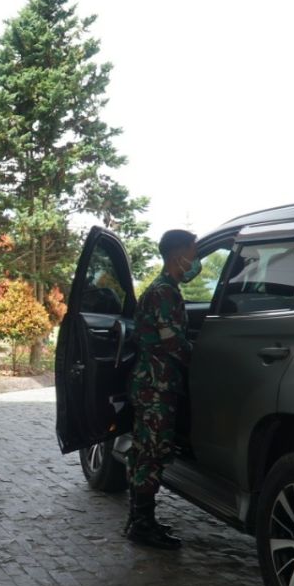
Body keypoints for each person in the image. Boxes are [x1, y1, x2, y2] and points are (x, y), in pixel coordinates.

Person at [125, 229, 198, 550]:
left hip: (151, 383)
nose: (193, 261)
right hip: (157, 385)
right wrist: (200, 359)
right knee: (152, 454)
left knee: (143, 452)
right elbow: (172, 342)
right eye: (192, 254)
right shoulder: (164, 292)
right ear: (177, 255)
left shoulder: (162, 289)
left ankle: (139, 519)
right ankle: (142, 525)